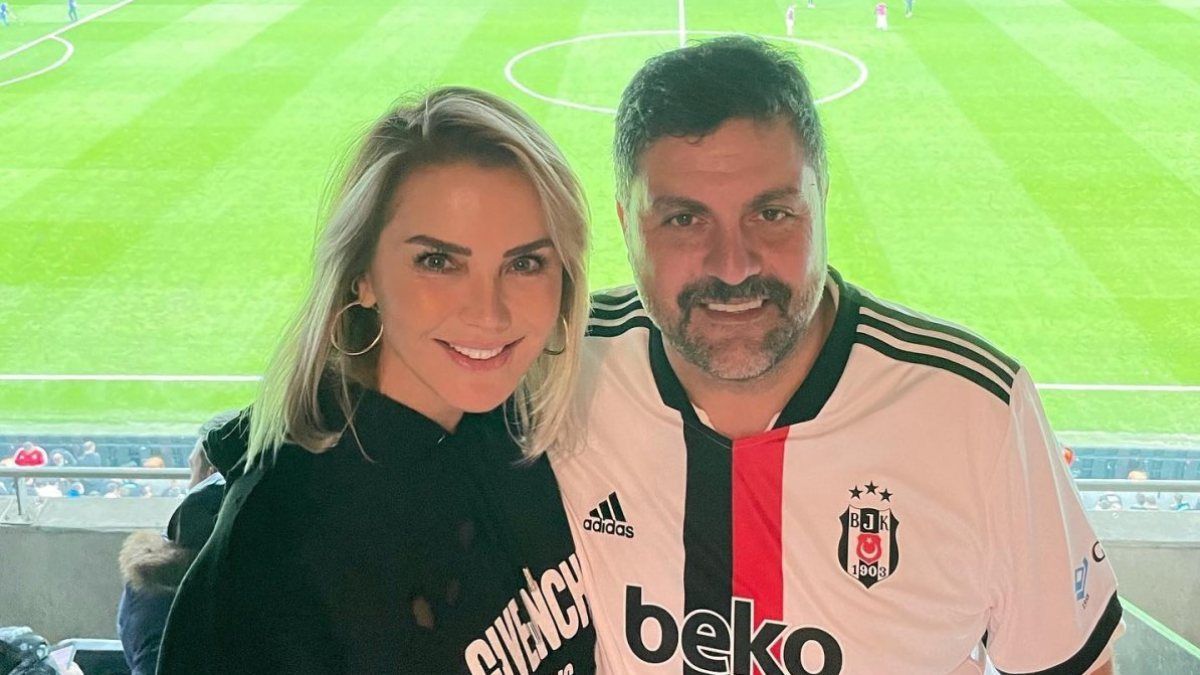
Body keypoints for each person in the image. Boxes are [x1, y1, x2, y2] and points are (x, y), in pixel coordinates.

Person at [550, 37, 1121, 674]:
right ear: (626, 223)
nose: (733, 267)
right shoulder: (561, 367)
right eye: (684, 220)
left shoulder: (973, 411)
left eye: (771, 213)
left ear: (821, 201)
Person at [158, 87, 595, 675]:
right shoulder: (278, 541)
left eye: (524, 263)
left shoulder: (518, 427)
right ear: (362, 275)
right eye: (438, 261)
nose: (489, 314)